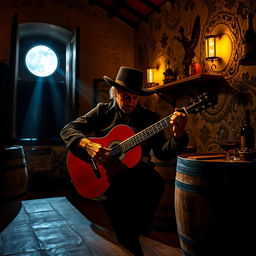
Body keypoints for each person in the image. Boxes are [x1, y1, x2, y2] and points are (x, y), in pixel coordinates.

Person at [60, 66, 188, 256]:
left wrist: (178, 135)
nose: (130, 102)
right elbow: (67, 130)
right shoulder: (102, 111)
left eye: (135, 97)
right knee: (126, 233)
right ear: (115, 92)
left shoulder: (149, 118)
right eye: (125, 96)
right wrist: (88, 145)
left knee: (155, 184)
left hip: (141, 179)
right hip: (111, 180)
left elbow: (163, 153)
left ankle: (134, 235)